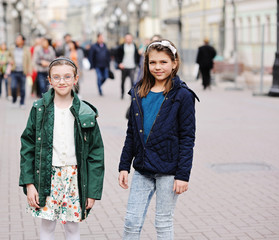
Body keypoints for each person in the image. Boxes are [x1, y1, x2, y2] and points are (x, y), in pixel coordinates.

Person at [118, 39, 199, 239]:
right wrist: (124, 165)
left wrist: (183, 175)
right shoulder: (138, 92)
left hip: (169, 170)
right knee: (131, 221)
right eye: (153, 62)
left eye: (163, 62)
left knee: (162, 222)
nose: (158, 67)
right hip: (143, 169)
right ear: (146, 65)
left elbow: (187, 137)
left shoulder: (183, 95)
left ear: (174, 63)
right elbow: (131, 133)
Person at [19, 57, 105, 240]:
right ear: (49, 80)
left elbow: (96, 154)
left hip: (74, 178)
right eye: (56, 77)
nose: (62, 81)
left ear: (75, 78)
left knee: (73, 228)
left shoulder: (86, 112)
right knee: (47, 225)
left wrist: (92, 191)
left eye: (67, 76)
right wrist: (29, 183)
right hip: (46, 176)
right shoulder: (39, 109)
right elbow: (27, 146)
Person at [8, 34, 32, 108]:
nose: (17, 40)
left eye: (19, 39)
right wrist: (10, 60)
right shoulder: (12, 48)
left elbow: (29, 61)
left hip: (22, 72)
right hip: (14, 71)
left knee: (22, 88)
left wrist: (29, 71)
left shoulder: (26, 50)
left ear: (23, 41)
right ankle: (14, 98)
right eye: (17, 39)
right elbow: (8, 56)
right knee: (13, 86)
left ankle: (22, 103)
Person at [115, 33, 140, 99]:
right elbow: (117, 55)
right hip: (124, 67)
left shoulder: (134, 46)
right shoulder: (122, 46)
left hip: (132, 66)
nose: (128, 40)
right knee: (123, 81)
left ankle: (131, 95)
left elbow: (137, 56)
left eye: (129, 38)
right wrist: (119, 63)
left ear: (132, 39)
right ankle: (122, 93)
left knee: (132, 82)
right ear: (125, 39)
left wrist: (137, 64)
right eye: (127, 39)